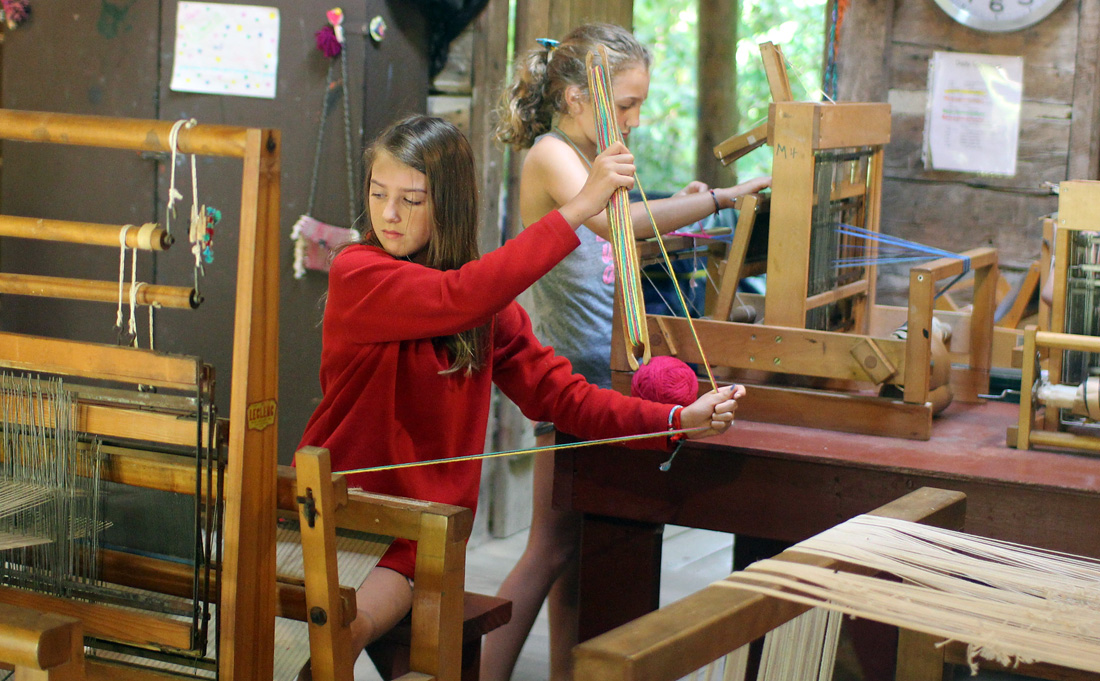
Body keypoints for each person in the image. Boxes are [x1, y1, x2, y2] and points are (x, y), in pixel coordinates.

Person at [295, 114, 745, 676]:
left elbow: (566, 398)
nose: (388, 214)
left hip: (416, 540)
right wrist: (582, 207)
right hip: (332, 516)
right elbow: (461, 294)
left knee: (359, 631)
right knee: (336, 630)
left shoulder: (485, 312)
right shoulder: (358, 271)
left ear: (449, 205)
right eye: (378, 193)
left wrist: (675, 418)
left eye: (411, 200)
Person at [485, 23, 770, 681]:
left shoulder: (587, 156)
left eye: (642, 103)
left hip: (599, 378)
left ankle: (564, 671)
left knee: (574, 547)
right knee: (550, 547)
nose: (636, 119)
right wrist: (716, 200)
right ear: (577, 96)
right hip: (566, 380)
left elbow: (626, 220)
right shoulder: (552, 155)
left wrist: (704, 202)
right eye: (627, 104)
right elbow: (622, 220)